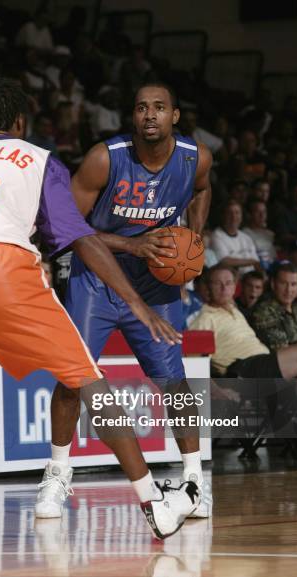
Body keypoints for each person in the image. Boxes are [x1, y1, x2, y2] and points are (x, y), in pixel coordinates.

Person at [0, 77, 199, 540]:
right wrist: (136, 301)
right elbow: (81, 238)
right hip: (3, 269)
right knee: (90, 382)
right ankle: (155, 504)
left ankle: (61, 477)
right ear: (20, 121)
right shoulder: (38, 160)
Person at [37, 81, 214, 521]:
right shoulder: (104, 159)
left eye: (159, 107)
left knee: (174, 382)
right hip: (96, 278)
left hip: (155, 283)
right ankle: (58, 473)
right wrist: (130, 246)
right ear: (132, 117)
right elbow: (65, 228)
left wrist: (196, 233)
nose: (149, 114)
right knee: (73, 378)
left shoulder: (196, 158)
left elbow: (204, 189)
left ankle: (195, 480)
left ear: (175, 116)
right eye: (141, 108)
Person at [190, 264, 297, 458]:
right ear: (207, 288)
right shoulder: (203, 320)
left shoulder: (235, 311)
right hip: (245, 372)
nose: (224, 288)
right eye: (218, 283)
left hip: (267, 371)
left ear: (235, 286)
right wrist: (218, 389)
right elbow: (194, 366)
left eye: (229, 283)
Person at [210, 199, 260, 275]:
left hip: (251, 278)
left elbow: (256, 262)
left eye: (237, 213)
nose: (234, 217)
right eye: (229, 213)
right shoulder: (216, 236)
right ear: (223, 215)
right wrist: (250, 261)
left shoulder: (246, 238)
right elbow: (224, 261)